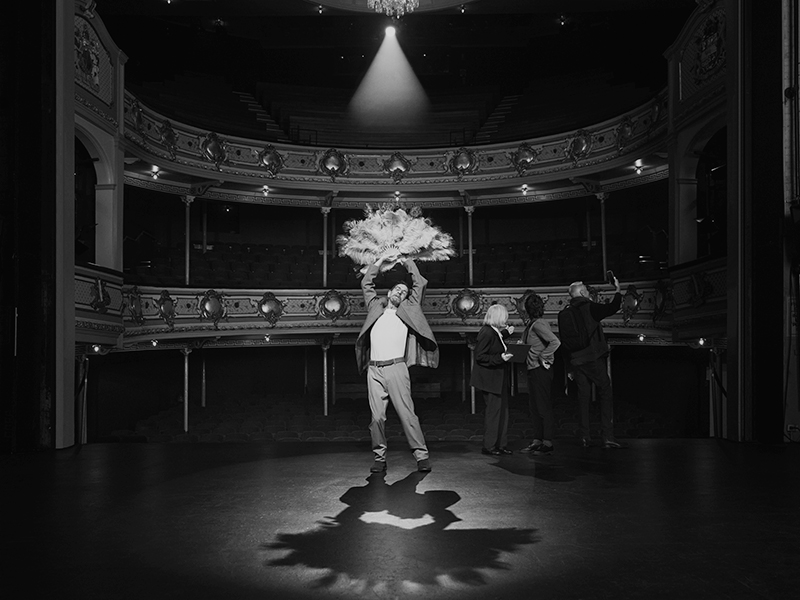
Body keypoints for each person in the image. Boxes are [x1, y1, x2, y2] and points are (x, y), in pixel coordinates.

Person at [355, 250, 438, 474]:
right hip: (374, 370)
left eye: (404, 292)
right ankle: (379, 459)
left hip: (396, 368)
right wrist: (379, 261)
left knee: (407, 414)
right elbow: (366, 284)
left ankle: (421, 456)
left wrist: (405, 260)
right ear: (390, 291)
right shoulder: (376, 308)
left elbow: (418, 283)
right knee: (377, 418)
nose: (400, 293)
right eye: (398, 290)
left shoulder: (408, 310)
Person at [557, 277, 628, 449]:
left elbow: (564, 343)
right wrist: (617, 290)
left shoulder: (565, 313)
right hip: (591, 357)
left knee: (583, 396)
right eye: (587, 291)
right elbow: (613, 307)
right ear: (582, 293)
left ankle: (584, 436)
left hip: (576, 360)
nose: (588, 293)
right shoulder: (590, 308)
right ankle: (607, 436)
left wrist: (569, 367)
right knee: (605, 389)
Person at [470, 304, 515, 456]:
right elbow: (480, 356)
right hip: (490, 380)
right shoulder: (487, 332)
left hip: (498, 378)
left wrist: (505, 335)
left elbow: (496, 341)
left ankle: (500, 445)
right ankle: (489, 446)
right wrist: (501, 358)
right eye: (504, 316)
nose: (506, 319)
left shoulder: (494, 332)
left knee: (503, 412)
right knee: (494, 413)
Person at [519, 293, 561, 455]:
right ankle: (538, 440)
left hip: (540, 370)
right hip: (533, 369)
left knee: (543, 407)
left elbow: (555, 342)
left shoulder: (538, 324)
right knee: (535, 407)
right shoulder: (532, 324)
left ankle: (547, 442)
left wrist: (544, 356)